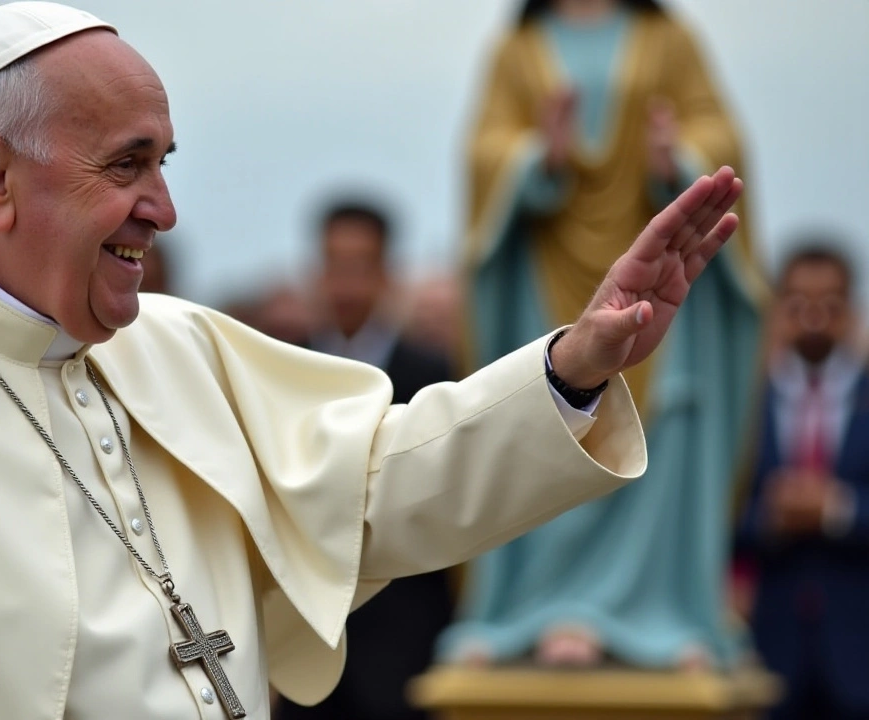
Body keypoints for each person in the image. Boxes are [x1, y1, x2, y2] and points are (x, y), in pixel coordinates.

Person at [0, 4, 743, 718]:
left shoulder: (174, 346)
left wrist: (571, 368)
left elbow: (375, 492)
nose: (164, 206)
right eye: (127, 164)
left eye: (167, 159)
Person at [440, 0, 767, 670]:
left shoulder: (668, 38)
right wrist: (537, 160)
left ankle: (667, 612)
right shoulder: (518, 47)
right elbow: (484, 149)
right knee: (550, 417)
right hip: (548, 281)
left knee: (663, 433)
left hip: (660, 279)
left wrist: (679, 156)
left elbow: (720, 134)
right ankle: (542, 606)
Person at [276, 200, 455, 720]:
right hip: (307, 640)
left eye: (361, 267)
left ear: (386, 275)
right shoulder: (284, 369)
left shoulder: (435, 378)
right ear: (316, 273)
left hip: (408, 639)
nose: (346, 286)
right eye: (335, 266)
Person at [736, 245, 869, 720]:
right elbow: (718, 516)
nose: (814, 318)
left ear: (850, 311)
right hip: (773, 653)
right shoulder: (747, 404)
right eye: (798, 304)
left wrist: (839, 511)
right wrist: (770, 518)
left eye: (829, 305)